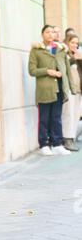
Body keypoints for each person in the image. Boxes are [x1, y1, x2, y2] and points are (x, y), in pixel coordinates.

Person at [28, 24, 76, 156]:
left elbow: (67, 71)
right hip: (44, 89)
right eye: (47, 32)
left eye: (52, 32)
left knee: (56, 117)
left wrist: (72, 88)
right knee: (44, 118)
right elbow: (32, 71)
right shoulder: (36, 50)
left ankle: (57, 144)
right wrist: (48, 71)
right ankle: (44, 144)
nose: (50, 34)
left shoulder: (61, 50)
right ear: (42, 34)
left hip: (59, 88)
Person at [62, 33, 82, 151]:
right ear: (67, 43)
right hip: (69, 88)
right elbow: (63, 67)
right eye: (72, 42)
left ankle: (72, 137)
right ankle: (66, 139)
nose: (74, 45)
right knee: (68, 114)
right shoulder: (64, 54)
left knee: (75, 114)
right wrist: (74, 58)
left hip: (78, 89)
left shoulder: (77, 55)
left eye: (76, 43)